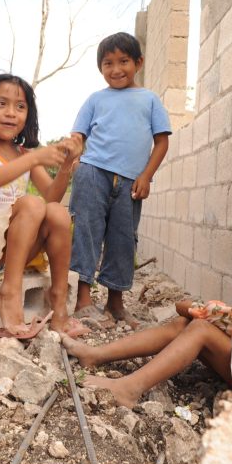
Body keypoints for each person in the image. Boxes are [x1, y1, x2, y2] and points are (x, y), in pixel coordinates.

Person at [63, 185, 232, 408]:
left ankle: (129, 389)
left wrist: (197, 308)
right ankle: (95, 354)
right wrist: (195, 313)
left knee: (200, 328)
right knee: (185, 325)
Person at [0, 73, 89, 339]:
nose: (11, 113)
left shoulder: (24, 155)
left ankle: (58, 301)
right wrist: (34, 159)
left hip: (13, 251)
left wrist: (65, 166)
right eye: (1, 104)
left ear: (28, 115)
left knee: (57, 212)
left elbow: (52, 197)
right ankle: (10, 293)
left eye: (20, 107)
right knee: (30, 203)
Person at [69, 32, 172, 328]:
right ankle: (83, 300)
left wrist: (146, 176)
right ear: (100, 68)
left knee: (124, 239)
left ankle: (116, 304)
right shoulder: (95, 99)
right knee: (86, 232)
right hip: (92, 174)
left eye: (123, 61)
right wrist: (73, 151)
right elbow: (79, 134)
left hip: (130, 183)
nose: (115, 69)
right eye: (108, 63)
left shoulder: (150, 100)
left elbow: (161, 142)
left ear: (138, 62)